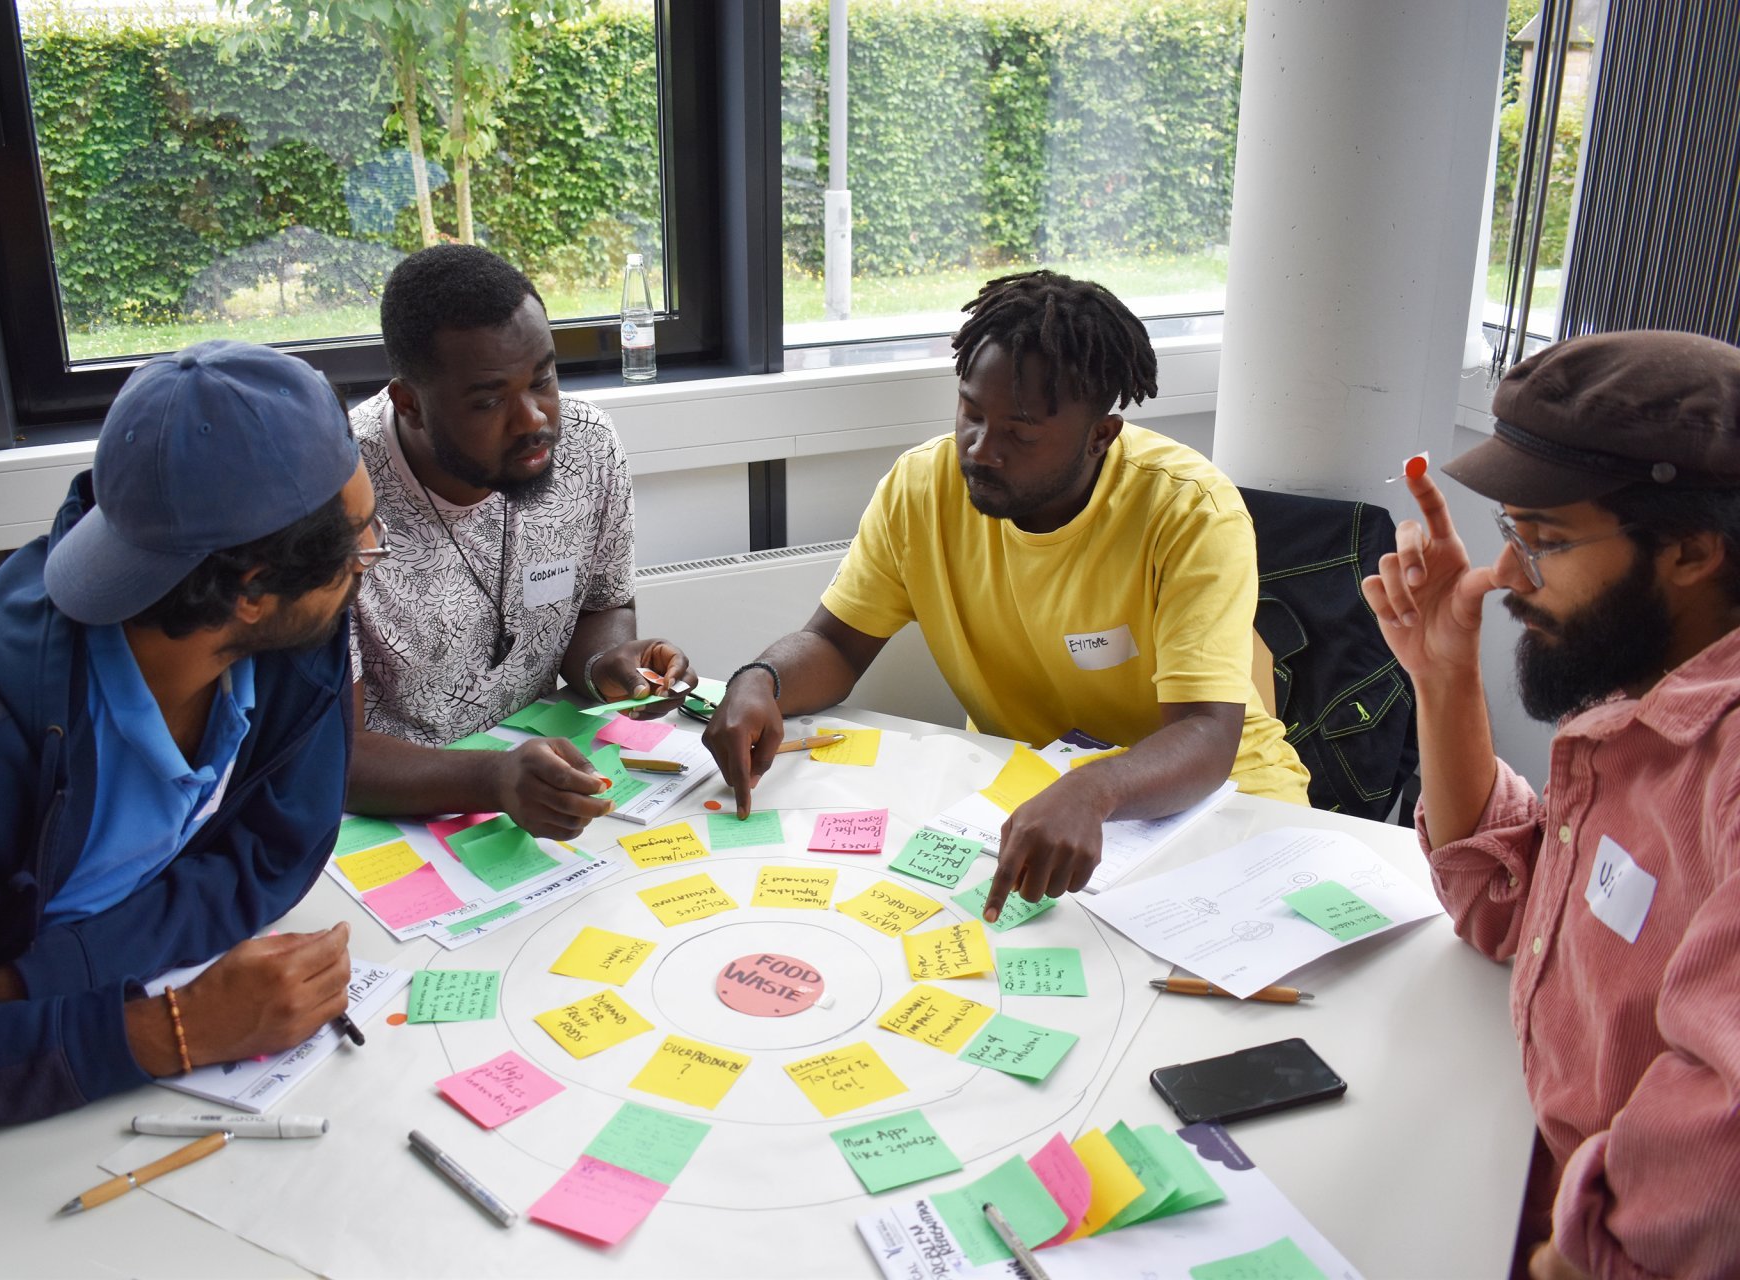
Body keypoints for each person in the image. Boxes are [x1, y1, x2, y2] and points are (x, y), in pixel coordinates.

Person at [0, 341, 382, 1134]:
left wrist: (37, 980)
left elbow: (276, 851)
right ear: (253, 591)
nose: (369, 560)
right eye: (360, 543)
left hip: (59, 1052)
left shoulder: (290, 644)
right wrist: (171, 1030)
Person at [703, 270, 1308, 920]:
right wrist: (760, 680)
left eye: (1020, 434)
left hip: (1214, 802)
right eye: (971, 411)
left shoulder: (1190, 510)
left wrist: (1094, 789)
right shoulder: (921, 486)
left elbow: (1207, 733)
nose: (980, 450)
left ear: (1101, 435)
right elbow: (834, 644)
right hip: (1029, 799)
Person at [1362, 330, 1740, 1280]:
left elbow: (1724, 1136)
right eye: (1512, 535)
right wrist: (1444, 682)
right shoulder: (1646, 694)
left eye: (1549, 540)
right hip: (1514, 1164)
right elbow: (1510, 912)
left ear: (1692, 551)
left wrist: (1574, 1258)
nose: (1510, 578)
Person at [345, 245, 691, 839]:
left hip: (542, 780)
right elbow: (333, 756)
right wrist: (494, 780)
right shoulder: (340, 495)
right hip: (392, 817)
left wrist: (607, 668)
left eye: (543, 379)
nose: (534, 419)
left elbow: (603, 606)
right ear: (410, 404)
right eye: (489, 400)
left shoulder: (586, 447)